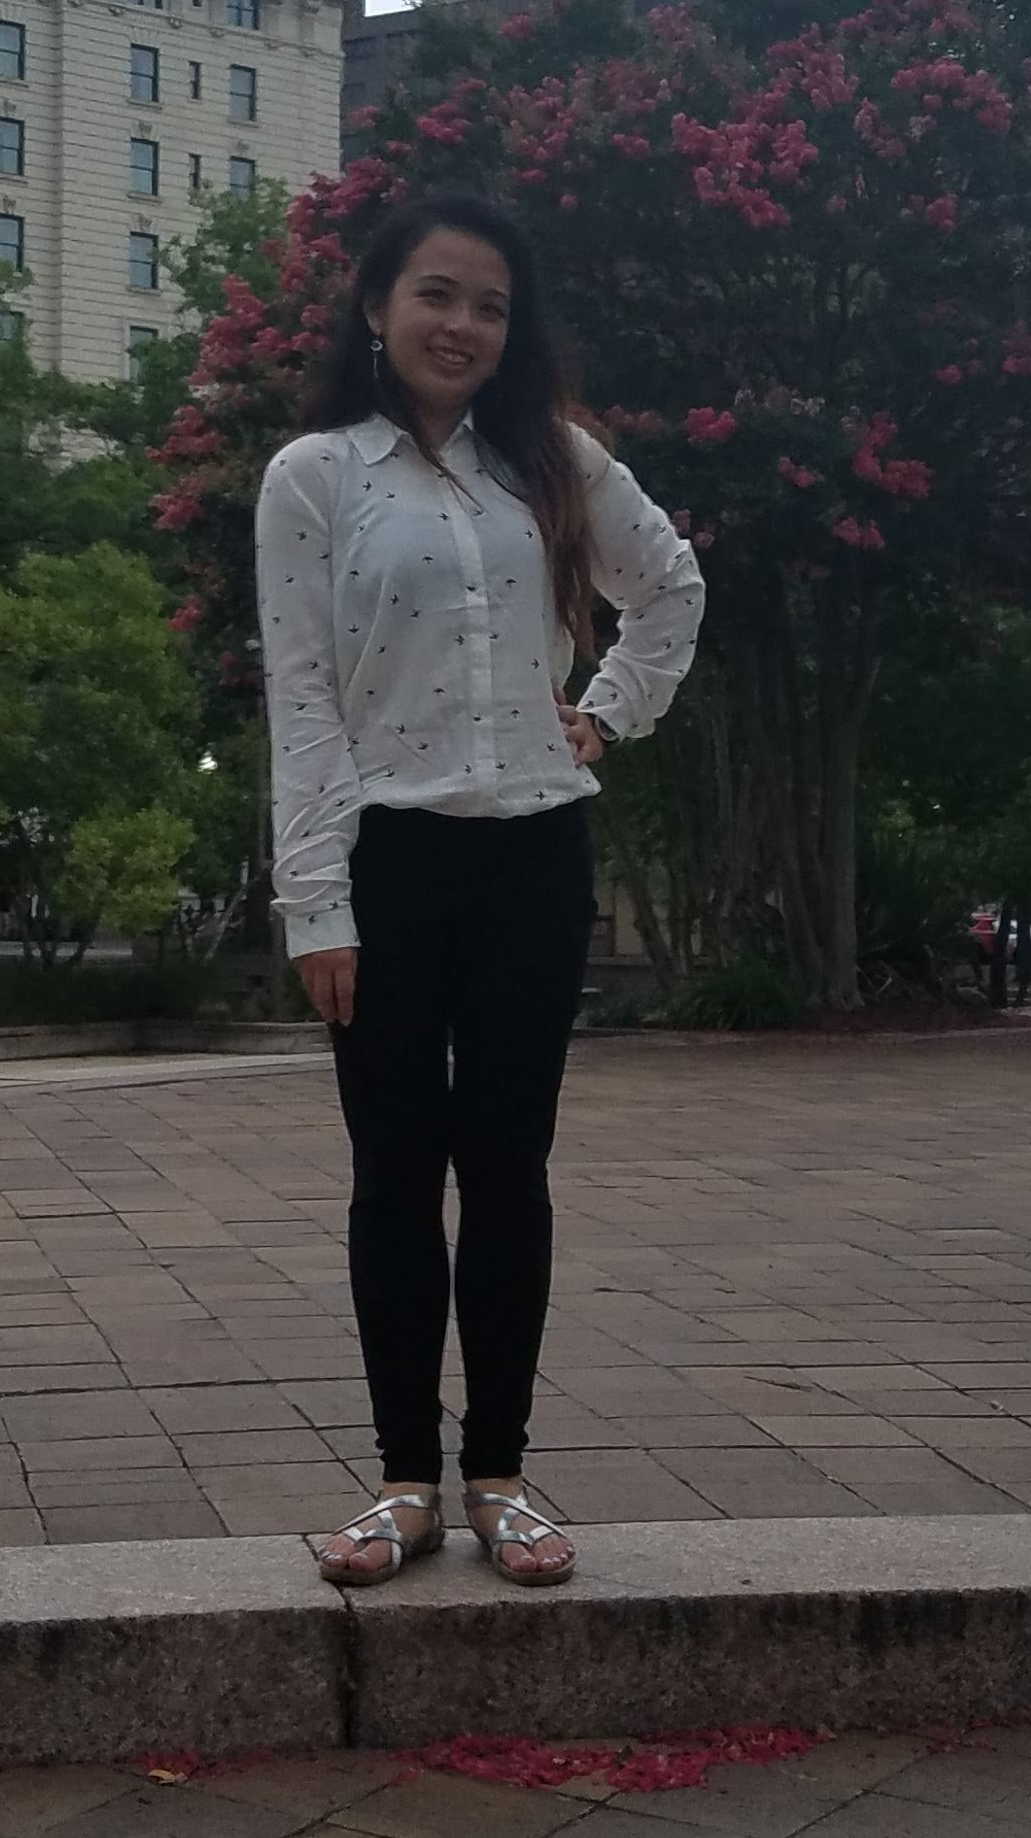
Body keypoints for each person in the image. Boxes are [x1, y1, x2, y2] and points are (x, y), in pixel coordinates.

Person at [256, 190, 704, 1588]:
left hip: (531, 852)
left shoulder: (552, 464)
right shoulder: (317, 475)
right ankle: (403, 1487)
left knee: (507, 1170)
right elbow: (305, 696)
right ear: (378, 310)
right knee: (394, 1174)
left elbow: (671, 586)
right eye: (437, 295)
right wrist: (317, 903)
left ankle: (502, 1475)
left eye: (491, 306)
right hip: (388, 860)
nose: (463, 325)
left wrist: (607, 712)